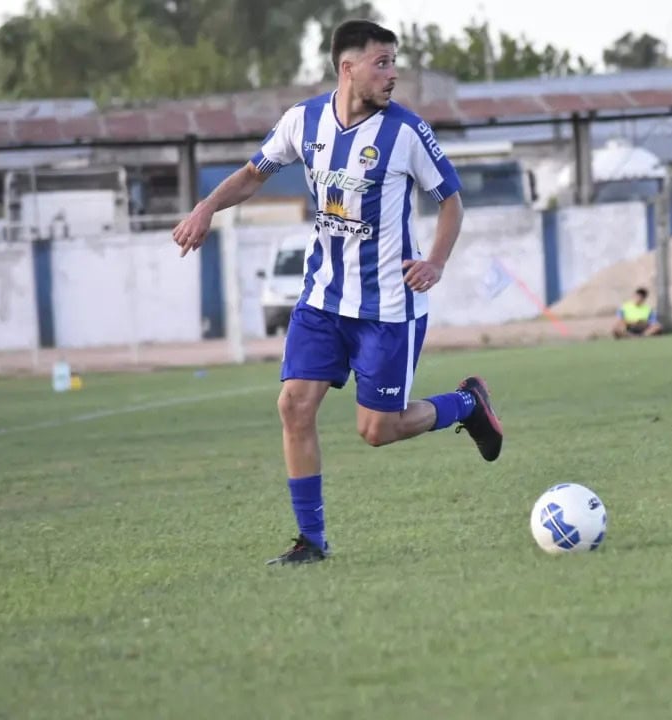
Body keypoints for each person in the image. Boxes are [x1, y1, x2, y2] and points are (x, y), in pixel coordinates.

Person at [171, 19, 503, 566]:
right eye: (382, 62)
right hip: (323, 298)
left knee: (378, 430)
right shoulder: (302, 121)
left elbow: (451, 200)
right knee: (294, 406)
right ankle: (311, 541)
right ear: (348, 68)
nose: (393, 74)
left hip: (389, 307)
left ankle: (467, 405)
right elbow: (255, 173)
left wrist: (436, 262)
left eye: (395, 62)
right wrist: (207, 206)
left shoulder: (406, 132)